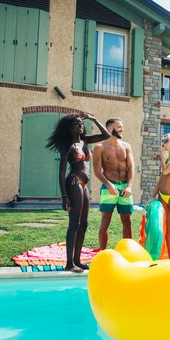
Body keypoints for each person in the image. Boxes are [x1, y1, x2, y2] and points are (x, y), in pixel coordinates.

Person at [46, 112, 110, 273]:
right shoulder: (67, 146)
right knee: (74, 223)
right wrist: (64, 196)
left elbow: (106, 135)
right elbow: (61, 173)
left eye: (82, 124)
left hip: (83, 186)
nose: (81, 126)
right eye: (77, 124)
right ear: (69, 128)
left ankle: (77, 260)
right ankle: (69, 263)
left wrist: (94, 119)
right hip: (74, 183)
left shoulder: (85, 141)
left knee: (84, 223)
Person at [92, 118, 135, 250]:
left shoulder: (126, 146)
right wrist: (108, 185)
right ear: (110, 129)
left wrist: (129, 186)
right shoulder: (99, 147)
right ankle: (103, 252)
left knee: (127, 222)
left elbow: (131, 167)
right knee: (105, 221)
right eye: (119, 127)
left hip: (124, 187)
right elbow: (97, 170)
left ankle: (128, 252)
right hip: (108, 187)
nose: (122, 129)